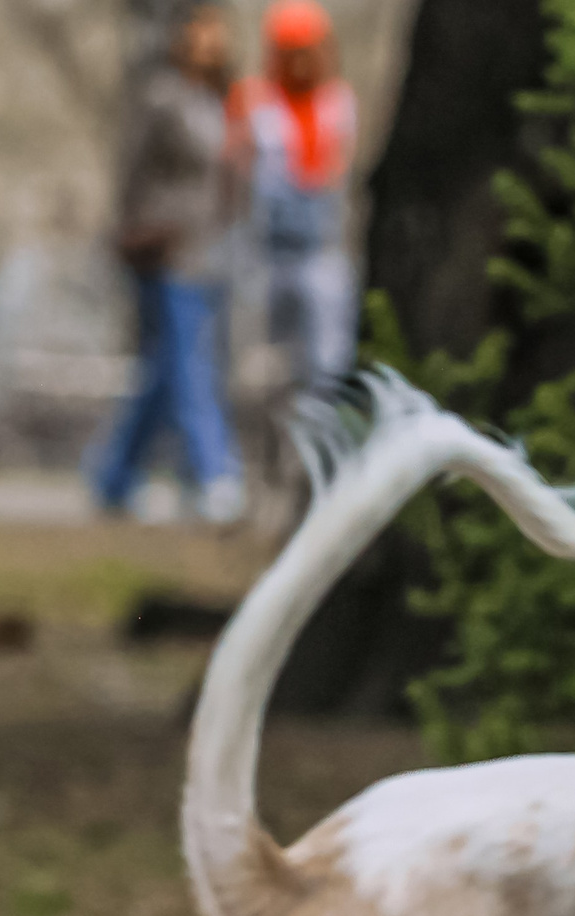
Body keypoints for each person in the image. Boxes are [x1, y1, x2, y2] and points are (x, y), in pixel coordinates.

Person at [89, 2, 245, 524]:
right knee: (188, 365)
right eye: (201, 31)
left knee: (164, 371)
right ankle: (215, 474)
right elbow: (131, 170)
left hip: (208, 252)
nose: (211, 40)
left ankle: (112, 478)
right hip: (167, 252)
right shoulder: (162, 96)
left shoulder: (218, 100)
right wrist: (131, 232)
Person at [233, 1, 359, 399]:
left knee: (327, 359)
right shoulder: (255, 101)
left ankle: (318, 447)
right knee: (255, 358)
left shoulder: (337, 102)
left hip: (319, 248)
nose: (299, 63)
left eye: (307, 51)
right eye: (289, 52)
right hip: (263, 251)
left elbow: (338, 167)